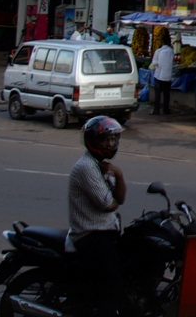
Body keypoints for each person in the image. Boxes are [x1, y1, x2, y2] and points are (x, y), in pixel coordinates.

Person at [69, 116, 126, 317]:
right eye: (106, 140)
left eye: (113, 140)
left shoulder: (103, 165)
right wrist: (115, 194)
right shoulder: (86, 167)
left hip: (106, 232)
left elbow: (120, 198)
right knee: (111, 284)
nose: (111, 144)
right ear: (94, 141)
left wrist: (118, 175)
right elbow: (108, 204)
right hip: (91, 235)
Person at [150, 32, 174, 116]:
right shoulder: (171, 51)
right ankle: (166, 109)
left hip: (159, 75)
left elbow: (154, 63)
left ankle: (156, 110)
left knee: (158, 94)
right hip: (168, 76)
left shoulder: (159, 51)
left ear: (162, 42)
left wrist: (153, 65)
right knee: (166, 94)